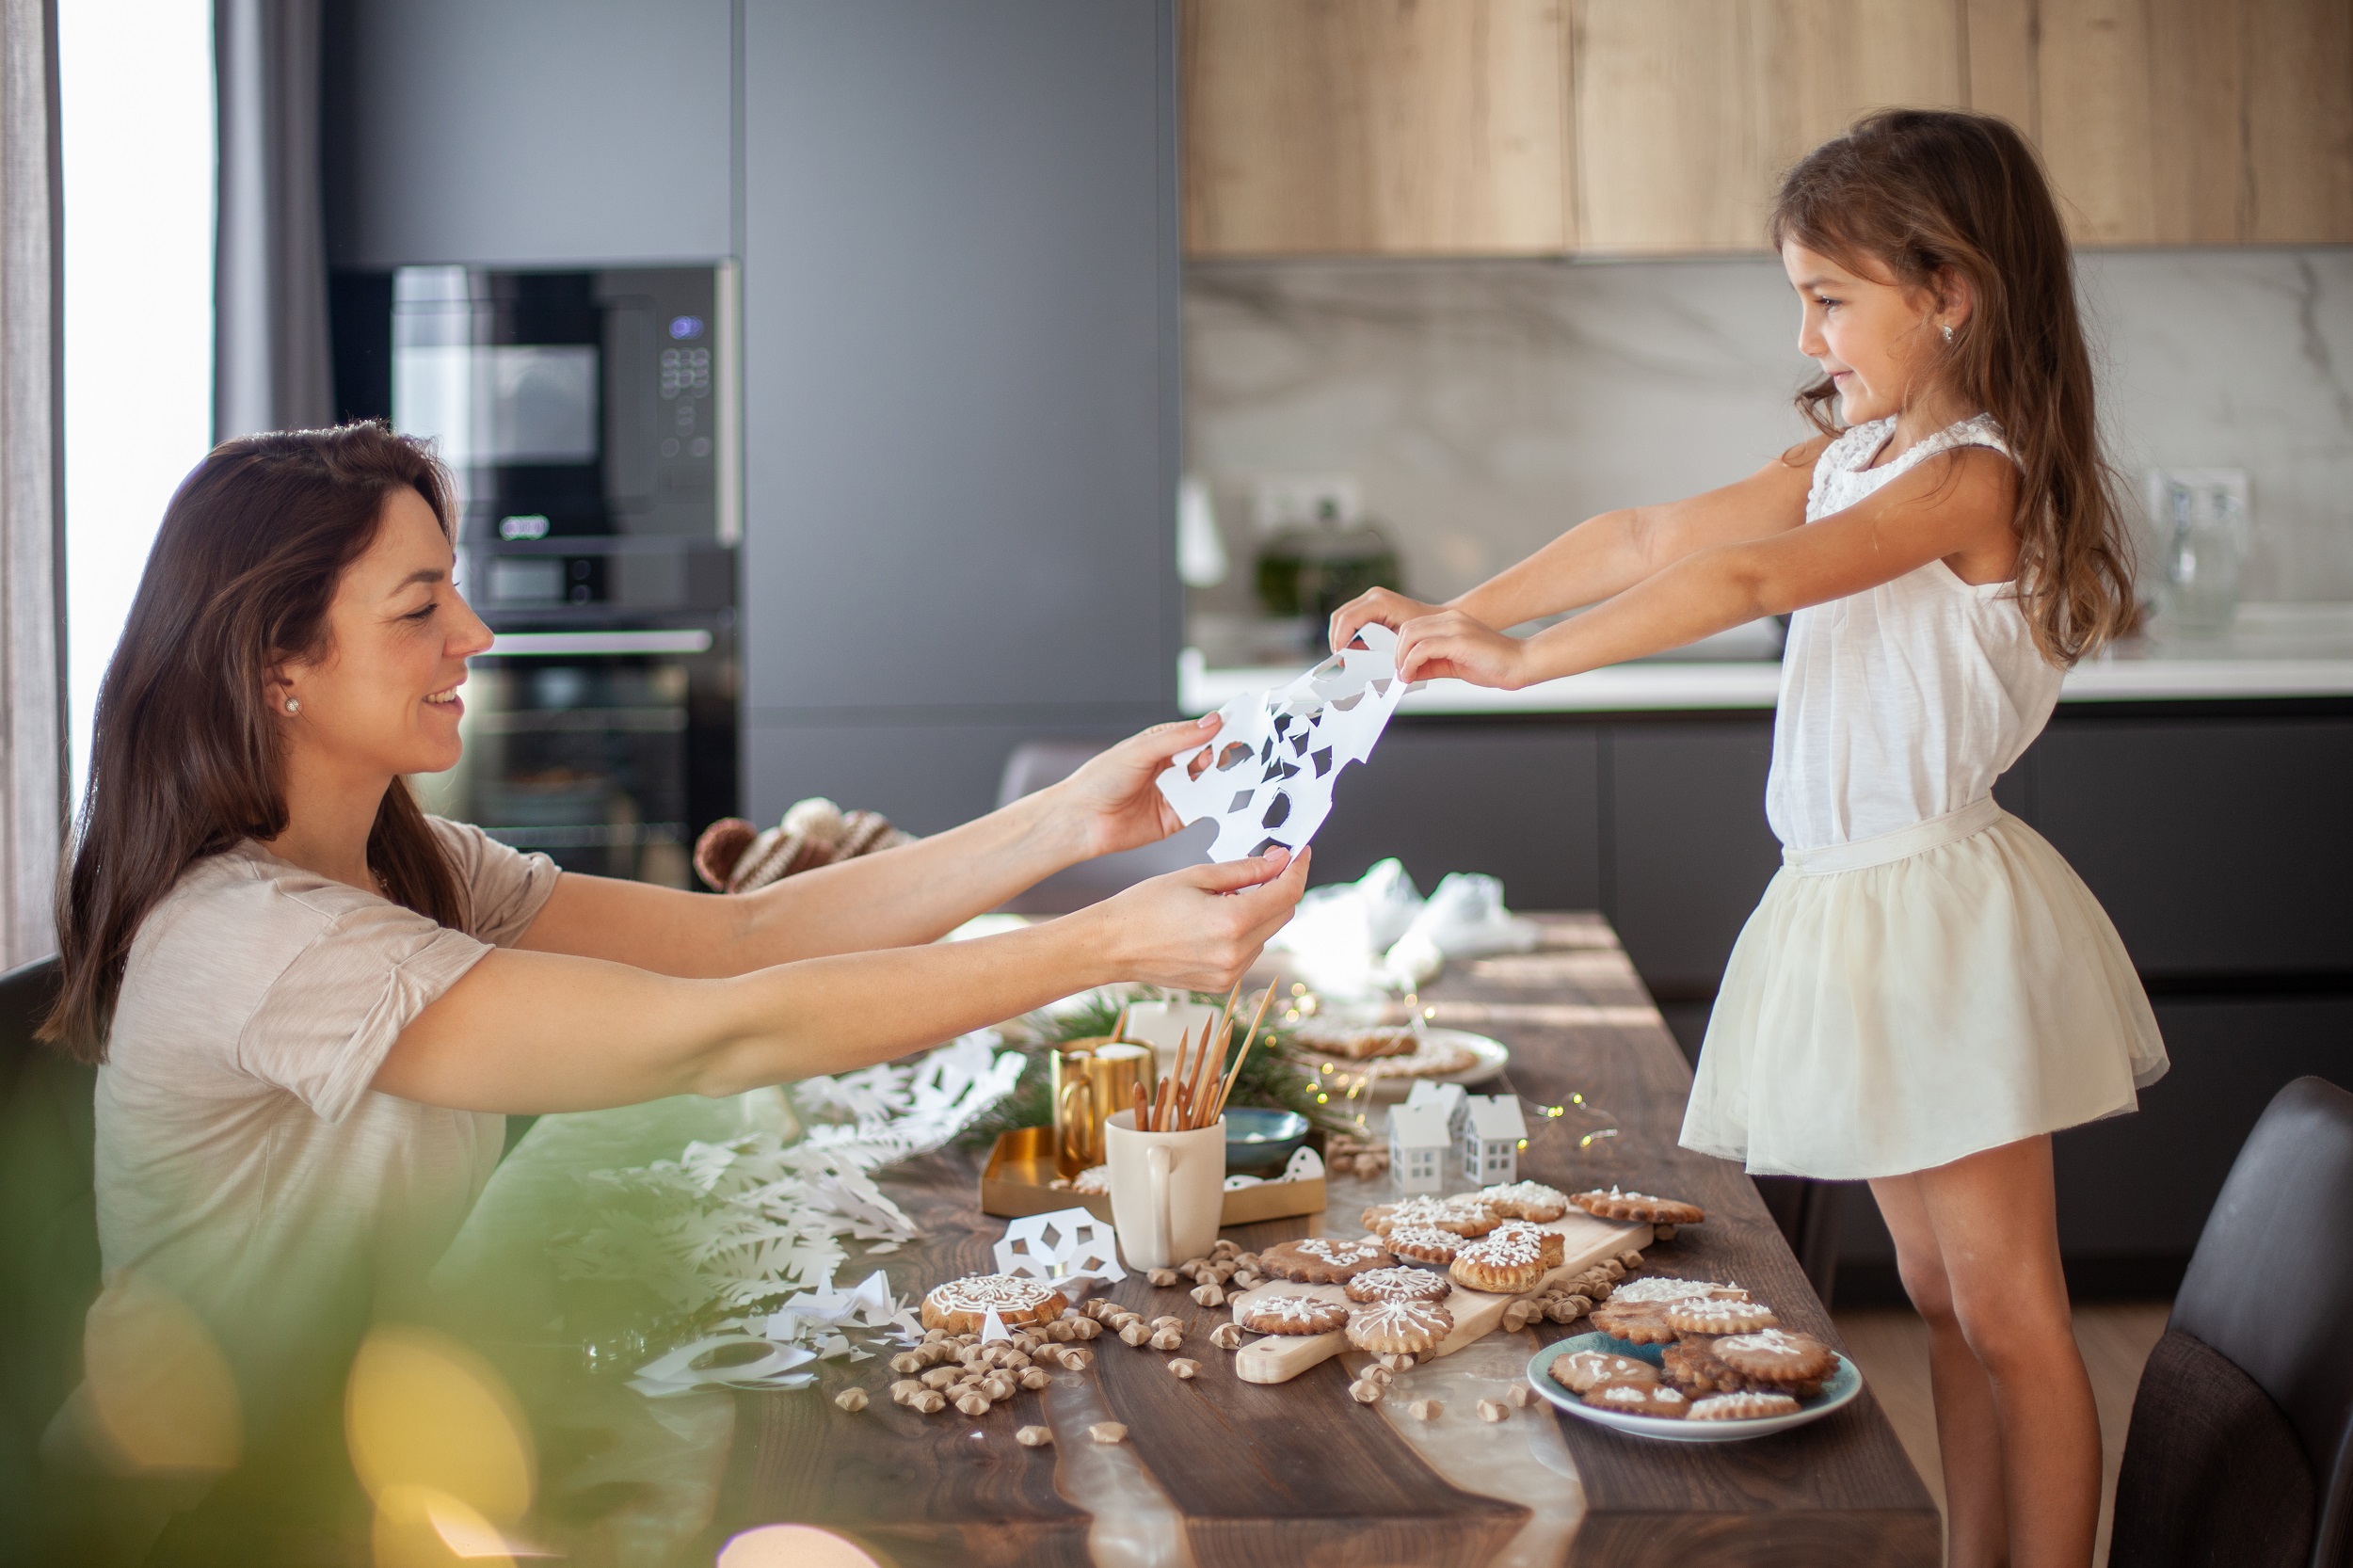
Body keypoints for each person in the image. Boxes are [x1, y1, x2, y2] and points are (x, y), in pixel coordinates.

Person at [39, 422, 1305, 1554]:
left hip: (354, 1453)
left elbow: (739, 939)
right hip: (209, 1519)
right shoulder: (254, 941)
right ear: (279, 664)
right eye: (420, 606)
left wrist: (1072, 822)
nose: (474, 635)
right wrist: (1105, 946)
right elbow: (714, 1035)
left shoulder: (407, 868)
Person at [1333, 110, 2164, 1568]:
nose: (1809, 331)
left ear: (1951, 289)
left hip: (1938, 914)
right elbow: (1652, 536)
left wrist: (1527, 662)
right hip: (1854, 908)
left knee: (2014, 1311)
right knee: (1940, 1299)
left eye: (1832, 296)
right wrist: (1467, 611)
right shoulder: (1861, 448)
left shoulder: (1975, 475)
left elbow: (1750, 573)